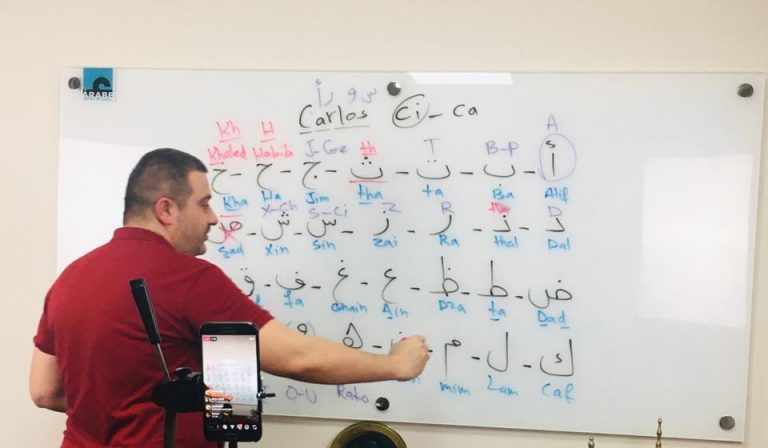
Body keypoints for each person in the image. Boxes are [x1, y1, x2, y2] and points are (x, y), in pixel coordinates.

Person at [30, 148, 429, 447]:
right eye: (204, 203)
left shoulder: (69, 279)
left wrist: (125, 411)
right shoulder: (188, 278)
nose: (213, 218)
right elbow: (298, 358)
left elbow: (44, 391)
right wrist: (394, 364)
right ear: (166, 209)